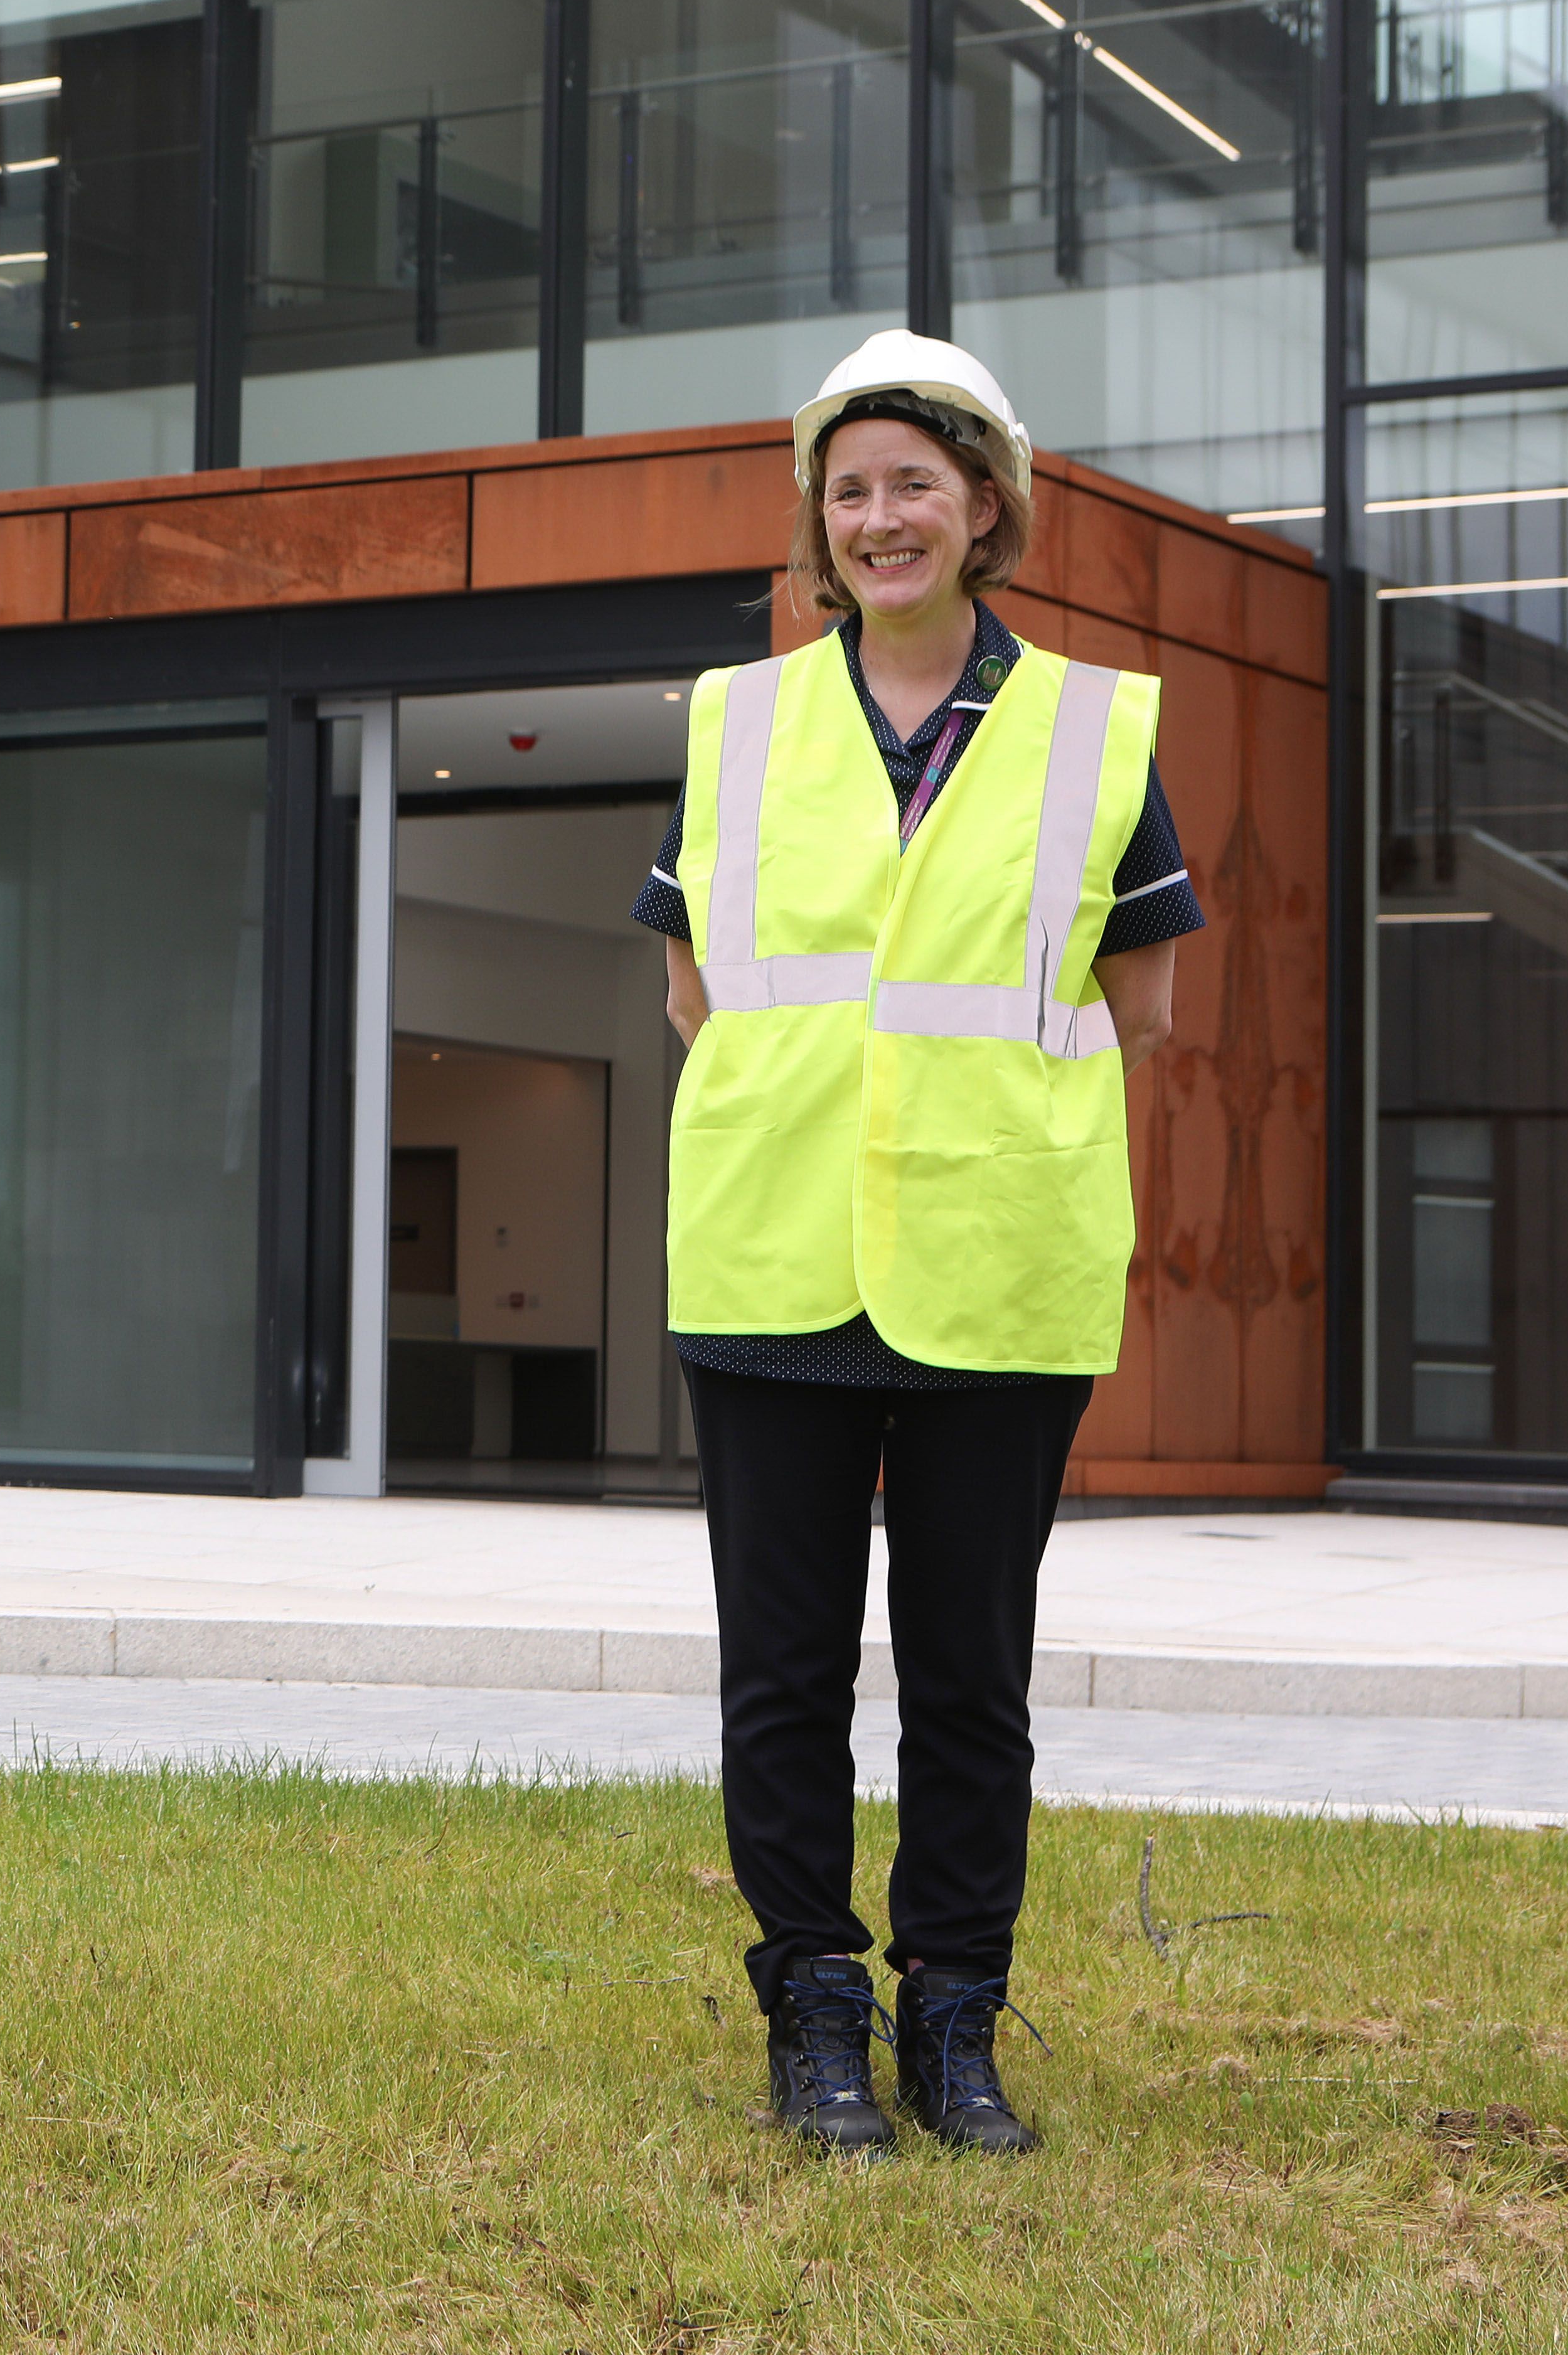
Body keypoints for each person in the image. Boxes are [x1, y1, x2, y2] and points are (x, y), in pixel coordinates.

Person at [641, 331, 1203, 2157]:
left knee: (973, 1674)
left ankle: (954, 2017)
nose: (880, 515)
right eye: (850, 485)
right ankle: (814, 2001)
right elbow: (689, 983)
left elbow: (1147, 999)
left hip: (996, 1263)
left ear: (985, 507)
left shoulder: (1094, 732)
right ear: (821, 516)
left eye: (916, 482)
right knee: (783, 1673)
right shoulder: (738, 721)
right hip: (774, 1254)